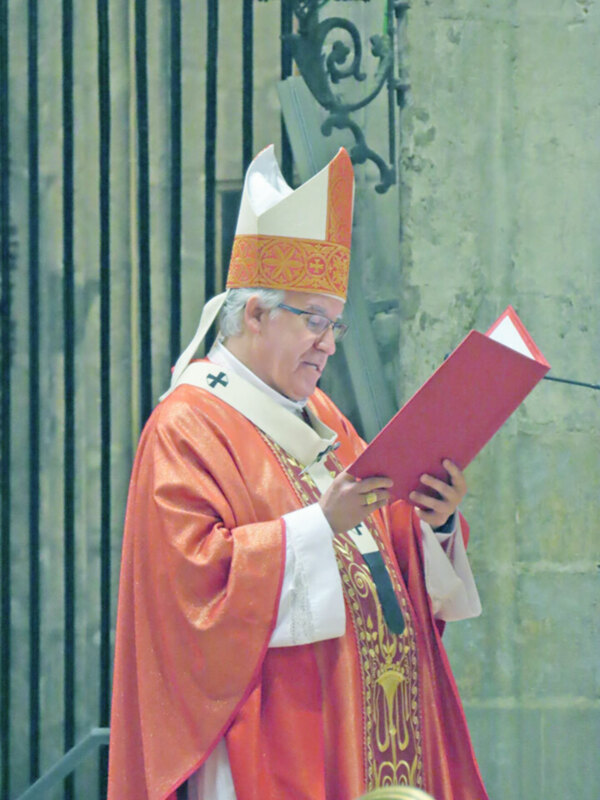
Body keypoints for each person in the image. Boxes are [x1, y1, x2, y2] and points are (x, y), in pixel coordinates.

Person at [107, 146, 489, 800]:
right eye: (314, 320)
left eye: (335, 325)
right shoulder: (188, 425)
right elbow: (190, 594)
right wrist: (318, 526)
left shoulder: (321, 416)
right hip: (274, 746)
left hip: (368, 732)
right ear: (254, 312)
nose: (330, 344)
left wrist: (436, 518)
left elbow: (383, 542)